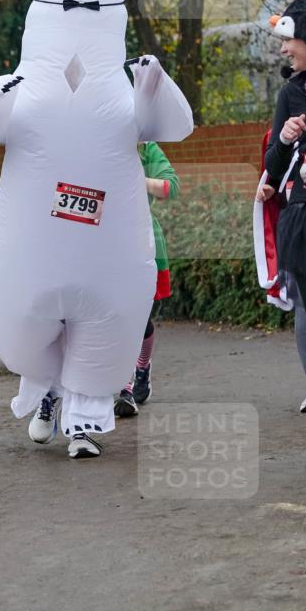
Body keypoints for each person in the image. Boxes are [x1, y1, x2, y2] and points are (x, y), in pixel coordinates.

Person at [265, 0, 306, 456]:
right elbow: (272, 165)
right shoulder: (289, 95)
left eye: (291, 39)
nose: (286, 49)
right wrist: (286, 141)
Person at [113, 141, 179, 417]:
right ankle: (124, 388)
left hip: (143, 245)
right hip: (102, 245)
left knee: (139, 319)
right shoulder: (95, 140)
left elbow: (170, 187)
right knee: (116, 318)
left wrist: (137, 180)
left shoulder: (146, 148)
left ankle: (142, 366)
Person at [254, 129, 306, 413]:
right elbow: (272, 179)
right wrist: (268, 190)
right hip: (299, 229)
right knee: (305, 307)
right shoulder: (278, 133)